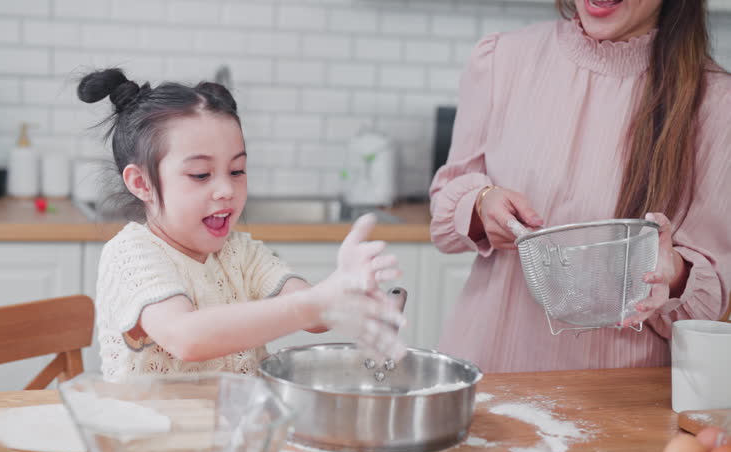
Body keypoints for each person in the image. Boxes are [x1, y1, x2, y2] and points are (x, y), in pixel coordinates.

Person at [429, 0, 730, 373]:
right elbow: (445, 208)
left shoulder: (715, 103)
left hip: (612, 399)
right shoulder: (501, 59)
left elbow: (706, 304)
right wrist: (481, 205)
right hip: (489, 374)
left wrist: (674, 275)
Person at [79, 69, 406, 381]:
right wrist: (316, 303)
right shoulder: (131, 254)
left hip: (232, 432)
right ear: (142, 182)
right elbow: (186, 337)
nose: (226, 190)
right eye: (201, 175)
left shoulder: (241, 252)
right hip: (150, 435)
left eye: (237, 171)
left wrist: (344, 290)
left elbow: (316, 318)